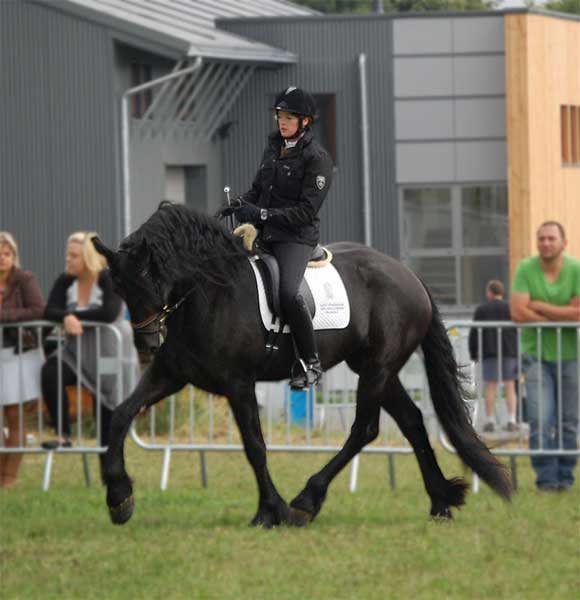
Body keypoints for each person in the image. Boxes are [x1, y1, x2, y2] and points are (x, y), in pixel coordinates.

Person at [227, 86, 333, 389]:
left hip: (295, 238)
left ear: (305, 121)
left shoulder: (317, 158)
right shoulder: (273, 147)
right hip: (266, 233)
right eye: (279, 116)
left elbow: (305, 211)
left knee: (288, 293)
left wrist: (259, 214)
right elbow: (258, 190)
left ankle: (311, 363)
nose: (281, 122)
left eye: (288, 117)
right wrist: (238, 204)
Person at [41, 231, 139, 449]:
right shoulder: (65, 280)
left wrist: (72, 316)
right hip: (75, 354)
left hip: (109, 353)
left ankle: (109, 457)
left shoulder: (108, 278)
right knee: (50, 372)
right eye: (68, 255)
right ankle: (63, 435)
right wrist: (65, 317)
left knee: (105, 406)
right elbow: (49, 310)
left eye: (74, 256)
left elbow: (109, 313)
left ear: (88, 257)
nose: (68, 260)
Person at [511, 221, 580, 492]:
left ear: (564, 242)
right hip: (535, 355)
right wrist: (562, 315)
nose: (546, 243)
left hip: (571, 355)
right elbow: (518, 312)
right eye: (541, 238)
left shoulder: (575, 269)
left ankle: (565, 476)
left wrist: (538, 306)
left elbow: (579, 313)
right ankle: (547, 479)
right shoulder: (525, 268)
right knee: (540, 418)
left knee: (569, 421)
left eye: (551, 238)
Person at [0, 231, 45, 488]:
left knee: (15, 416)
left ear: (14, 256)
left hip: (20, 355)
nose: (2, 259)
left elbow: (38, 310)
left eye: (6, 254)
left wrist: (4, 316)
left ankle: (9, 477)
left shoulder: (25, 279)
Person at [468, 280, 518, 433]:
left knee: (490, 387)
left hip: (489, 352)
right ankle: (511, 420)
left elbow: (474, 333)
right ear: (501, 292)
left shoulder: (482, 310)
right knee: (510, 386)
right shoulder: (511, 308)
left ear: (490, 292)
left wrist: (474, 353)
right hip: (509, 351)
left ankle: (489, 421)